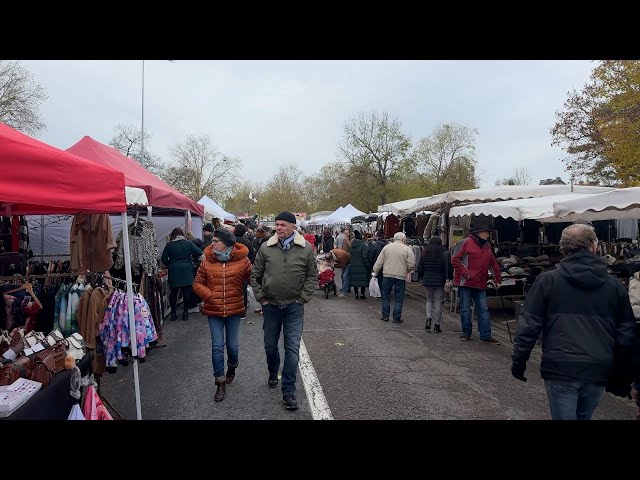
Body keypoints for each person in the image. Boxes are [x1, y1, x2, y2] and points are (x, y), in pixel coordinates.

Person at [511, 224, 636, 420]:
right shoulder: (614, 286)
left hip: (560, 367)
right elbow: (626, 333)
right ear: (594, 247)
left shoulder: (548, 281)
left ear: (563, 248)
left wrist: (519, 361)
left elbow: (528, 325)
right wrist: (623, 374)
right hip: (597, 367)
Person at [250, 211, 318, 411]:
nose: (278, 228)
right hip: (270, 306)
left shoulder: (305, 249)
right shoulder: (266, 247)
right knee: (270, 345)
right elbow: (255, 275)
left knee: (292, 349)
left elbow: (312, 275)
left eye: (282, 225)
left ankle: (288, 390)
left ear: (293, 227)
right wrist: (261, 298)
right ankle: (273, 372)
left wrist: (303, 298)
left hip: (293, 307)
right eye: (277, 224)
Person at [193, 228, 252, 402]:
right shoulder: (206, 262)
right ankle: (220, 382)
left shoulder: (243, 261)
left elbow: (254, 278)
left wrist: (264, 296)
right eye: (212, 240)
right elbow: (197, 283)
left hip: (234, 310)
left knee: (232, 346)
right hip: (214, 310)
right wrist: (209, 295)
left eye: (216, 240)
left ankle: (232, 366)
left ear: (226, 243)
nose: (212, 243)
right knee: (217, 346)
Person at [451, 223, 502, 344]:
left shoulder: (487, 246)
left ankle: (485, 335)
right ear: (479, 233)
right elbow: (455, 259)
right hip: (466, 282)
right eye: (486, 232)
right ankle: (466, 332)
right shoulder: (465, 243)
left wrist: (497, 279)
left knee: (483, 309)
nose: (488, 235)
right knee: (465, 309)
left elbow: (493, 263)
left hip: (481, 282)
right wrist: (466, 273)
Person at [371, 232, 415, 323]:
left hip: (387, 275)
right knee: (399, 298)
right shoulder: (407, 249)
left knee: (386, 296)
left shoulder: (387, 247)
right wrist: (406, 270)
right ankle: (396, 318)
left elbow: (379, 261)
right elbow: (411, 264)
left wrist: (375, 271)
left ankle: (385, 316)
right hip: (400, 276)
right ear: (403, 239)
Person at [161, 228, 203, 321]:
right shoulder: (189, 243)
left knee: (173, 292)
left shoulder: (169, 245)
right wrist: (193, 261)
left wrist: (170, 265)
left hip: (174, 270)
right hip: (187, 270)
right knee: (186, 292)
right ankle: (185, 313)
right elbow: (199, 253)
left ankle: (173, 313)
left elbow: (164, 259)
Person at [417, 236, 452, 333]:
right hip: (440, 281)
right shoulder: (445, 253)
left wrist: (422, 277)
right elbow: (449, 268)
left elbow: (420, 268)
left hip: (427, 280)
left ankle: (428, 319)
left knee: (429, 300)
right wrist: (448, 279)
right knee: (438, 302)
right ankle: (437, 324)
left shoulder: (425, 253)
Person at [234, 223, 256, 320]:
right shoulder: (247, 243)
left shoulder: (229, 242)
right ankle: (242, 312)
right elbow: (252, 256)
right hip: (243, 269)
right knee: (243, 290)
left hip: (230, 268)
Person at [348, 230, 369, 299]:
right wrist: (368, 265)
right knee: (363, 280)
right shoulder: (363, 245)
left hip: (353, 265)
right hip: (362, 266)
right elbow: (365, 257)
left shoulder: (352, 245)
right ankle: (362, 294)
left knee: (355, 280)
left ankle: (356, 294)